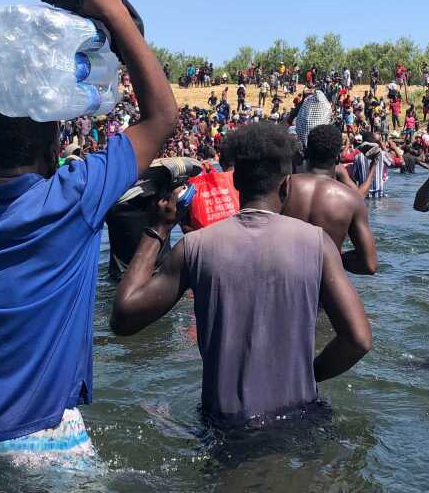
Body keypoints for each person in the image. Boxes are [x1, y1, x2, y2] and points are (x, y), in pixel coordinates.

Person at [0, 0, 177, 460]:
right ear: (55, 148)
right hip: (46, 435)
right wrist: (115, 13)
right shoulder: (73, 198)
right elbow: (162, 118)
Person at [111, 123, 372, 426]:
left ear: (235, 181)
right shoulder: (319, 244)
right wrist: (308, 373)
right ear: (286, 185)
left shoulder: (195, 247)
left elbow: (123, 320)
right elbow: (358, 340)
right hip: (299, 417)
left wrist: (157, 229)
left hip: (224, 424)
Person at [282, 124, 378, 274]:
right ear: (338, 157)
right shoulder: (351, 199)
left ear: (306, 153)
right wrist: (332, 256)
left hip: (284, 279)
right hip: (325, 285)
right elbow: (369, 265)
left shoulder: (283, 186)